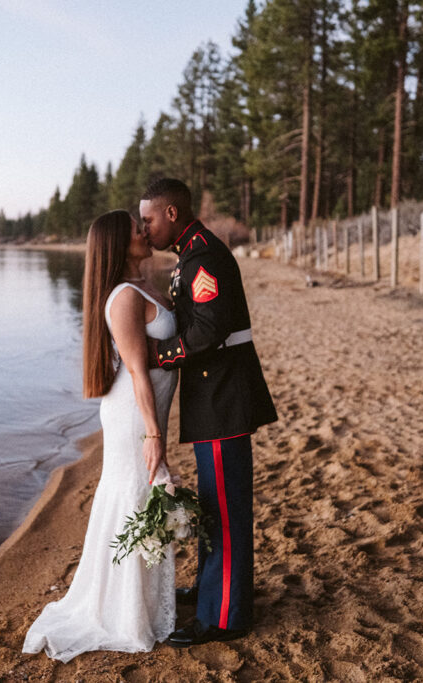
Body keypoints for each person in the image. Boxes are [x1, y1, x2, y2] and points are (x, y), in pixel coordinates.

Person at [22, 209, 178, 662]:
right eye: (136, 229)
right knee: (134, 492)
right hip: (133, 411)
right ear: (117, 243)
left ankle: (140, 602)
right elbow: (136, 371)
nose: (144, 232)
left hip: (148, 406)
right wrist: (153, 434)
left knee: (142, 494)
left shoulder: (147, 284)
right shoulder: (124, 298)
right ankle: (123, 611)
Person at [139, 178, 277, 647]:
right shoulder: (190, 255)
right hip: (213, 395)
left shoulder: (204, 257)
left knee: (226, 509)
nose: (145, 227)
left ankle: (224, 617)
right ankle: (212, 591)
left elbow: (209, 331)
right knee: (216, 504)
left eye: (149, 219)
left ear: (172, 214)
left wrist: (157, 355)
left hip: (222, 397)